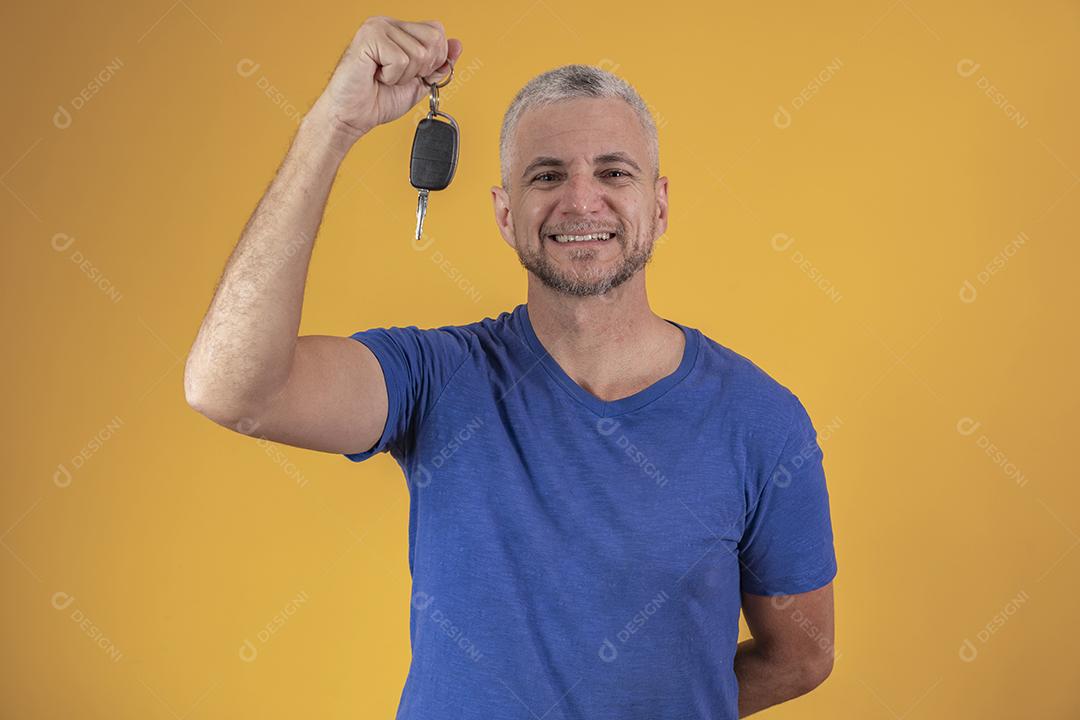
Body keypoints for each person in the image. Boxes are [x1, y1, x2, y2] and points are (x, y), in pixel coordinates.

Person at [184, 15, 838, 720]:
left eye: (613, 172)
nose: (582, 200)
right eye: (546, 175)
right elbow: (231, 389)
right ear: (504, 213)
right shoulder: (434, 377)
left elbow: (801, 654)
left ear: (660, 203)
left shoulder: (761, 420)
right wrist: (331, 126)